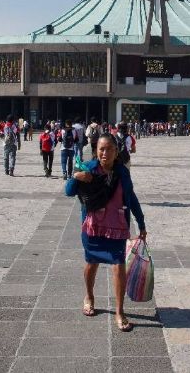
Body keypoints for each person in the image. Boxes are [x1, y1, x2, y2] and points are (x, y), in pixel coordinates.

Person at [65, 133, 146, 332]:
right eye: (101, 149)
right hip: (93, 227)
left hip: (117, 227)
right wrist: (76, 176)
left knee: (119, 266)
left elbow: (131, 197)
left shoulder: (122, 172)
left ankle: (120, 311)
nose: (105, 152)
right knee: (91, 263)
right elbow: (68, 191)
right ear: (95, 151)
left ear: (116, 152)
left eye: (109, 149)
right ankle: (89, 296)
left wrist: (141, 222)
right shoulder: (88, 168)